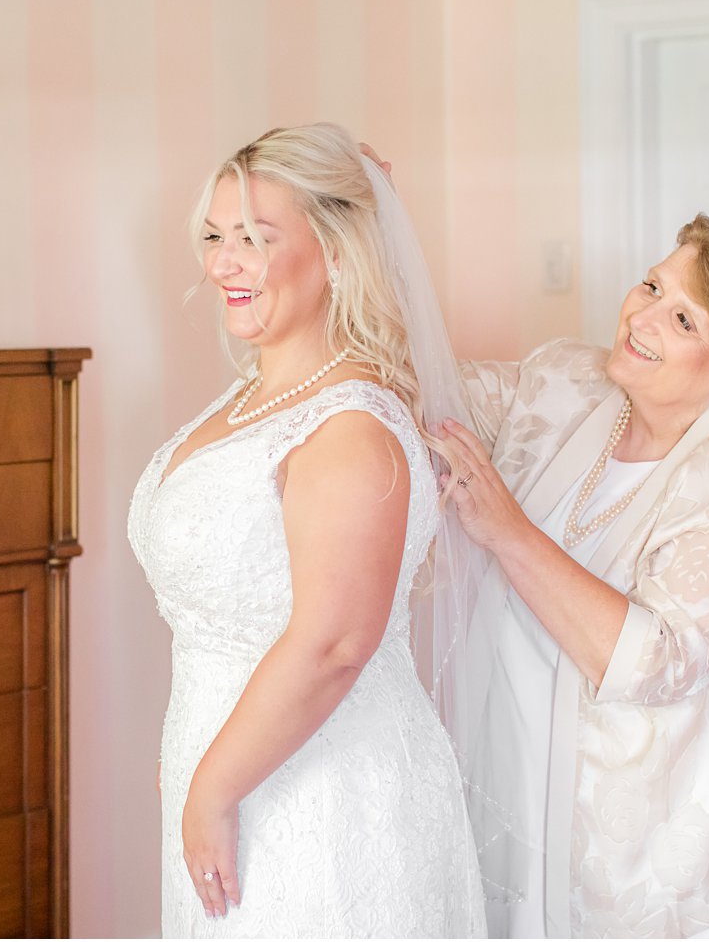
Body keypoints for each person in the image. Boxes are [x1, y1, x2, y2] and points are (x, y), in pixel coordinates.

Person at [126, 123, 487, 938]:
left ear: (334, 251)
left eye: (254, 238)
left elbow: (333, 645)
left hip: (327, 788)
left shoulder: (350, 427)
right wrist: (195, 759)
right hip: (233, 766)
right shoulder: (249, 394)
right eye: (216, 236)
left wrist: (212, 784)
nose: (222, 262)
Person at [434, 215, 709, 938]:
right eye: (652, 284)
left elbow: (654, 663)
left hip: (623, 840)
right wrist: (370, 237)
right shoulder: (567, 382)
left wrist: (510, 532)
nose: (640, 316)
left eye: (681, 318)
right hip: (504, 774)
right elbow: (435, 400)